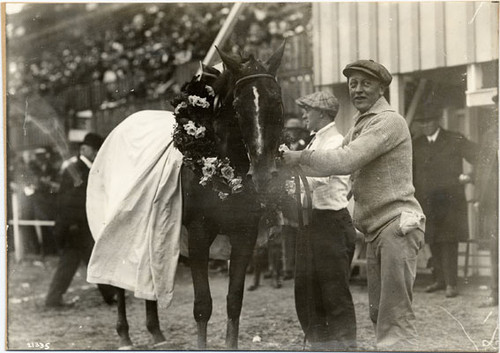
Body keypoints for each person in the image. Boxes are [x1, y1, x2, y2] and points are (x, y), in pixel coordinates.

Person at [283, 60, 425, 350]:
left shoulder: (387, 121)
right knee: (378, 314)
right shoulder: (362, 124)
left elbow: (345, 160)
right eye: (353, 84)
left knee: (393, 318)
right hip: (375, 230)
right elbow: (339, 157)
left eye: (366, 83)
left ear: (382, 87)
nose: (357, 89)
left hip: (396, 225)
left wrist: (296, 159)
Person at [290, 91, 357, 350]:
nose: (304, 115)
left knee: (334, 291)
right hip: (312, 222)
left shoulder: (336, 142)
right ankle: (320, 345)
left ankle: (345, 346)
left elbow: (321, 177)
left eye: (307, 110)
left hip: (331, 223)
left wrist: (287, 183)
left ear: (322, 113)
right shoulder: (315, 140)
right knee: (306, 289)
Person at [412, 104, 478, 298]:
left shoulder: (454, 138)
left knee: (448, 241)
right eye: (422, 122)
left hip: (450, 203)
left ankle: (451, 283)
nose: (425, 126)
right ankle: (439, 280)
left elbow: (481, 156)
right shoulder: (416, 144)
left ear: (437, 120)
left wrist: (470, 176)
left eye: (428, 121)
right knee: (432, 239)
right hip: (426, 203)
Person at [45, 133, 116, 308]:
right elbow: (69, 201)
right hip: (75, 226)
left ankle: (108, 295)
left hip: (82, 225)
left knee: (90, 258)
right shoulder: (76, 169)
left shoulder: (88, 168)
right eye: (95, 149)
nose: (97, 152)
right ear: (84, 149)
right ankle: (53, 299)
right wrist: (73, 225)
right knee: (74, 262)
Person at [474, 94, 498, 307]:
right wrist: (478, 197)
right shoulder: (491, 135)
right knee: (495, 247)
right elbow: (483, 169)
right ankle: (495, 293)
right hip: (495, 203)